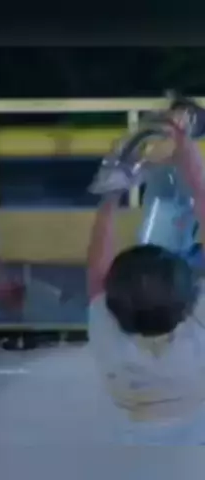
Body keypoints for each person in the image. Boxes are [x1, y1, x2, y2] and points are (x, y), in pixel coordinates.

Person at [87, 121, 205, 445]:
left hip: (131, 443)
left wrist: (110, 194)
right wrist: (189, 159)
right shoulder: (198, 336)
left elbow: (96, 273)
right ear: (188, 302)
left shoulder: (110, 339)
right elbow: (97, 276)